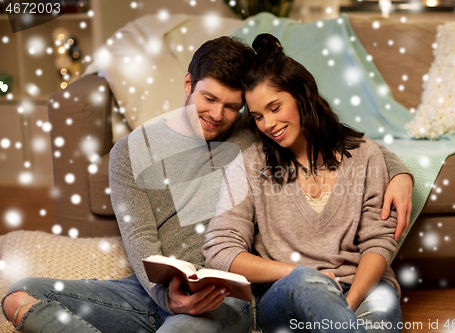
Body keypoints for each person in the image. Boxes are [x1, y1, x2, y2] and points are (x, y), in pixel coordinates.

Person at [2, 35, 410, 332]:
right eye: (208, 99)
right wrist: (169, 298)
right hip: (155, 292)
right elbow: (141, 241)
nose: (217, 115)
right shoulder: (130, 151)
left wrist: (399, 172)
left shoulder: (252, 131)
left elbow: (328, 134)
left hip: (224, 297)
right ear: (187, 85)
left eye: (232, 106)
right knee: (21, 293)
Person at [203, 34, 406, 333]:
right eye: (258, 116)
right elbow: (220, 252)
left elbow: (379, 241)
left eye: (275, 108)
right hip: (287, 292)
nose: (268, 124)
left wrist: (344, 309)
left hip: (362, 288)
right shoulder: (249, 164)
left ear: (302, 96)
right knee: (305, 282)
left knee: (380, 316)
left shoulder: (366, 155)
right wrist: (300, 273)